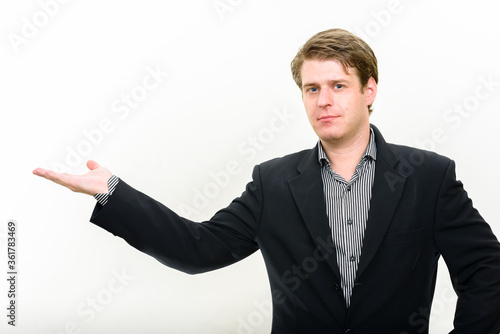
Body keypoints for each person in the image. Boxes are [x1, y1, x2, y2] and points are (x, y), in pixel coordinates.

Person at [33, 28, 500, 333]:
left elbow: (487, 271)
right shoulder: (274, 182)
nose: (324, 100)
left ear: (369, 90)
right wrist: (113, 191)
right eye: (311, 88)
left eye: (338, 85)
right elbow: (198, 249)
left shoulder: (428, 176)